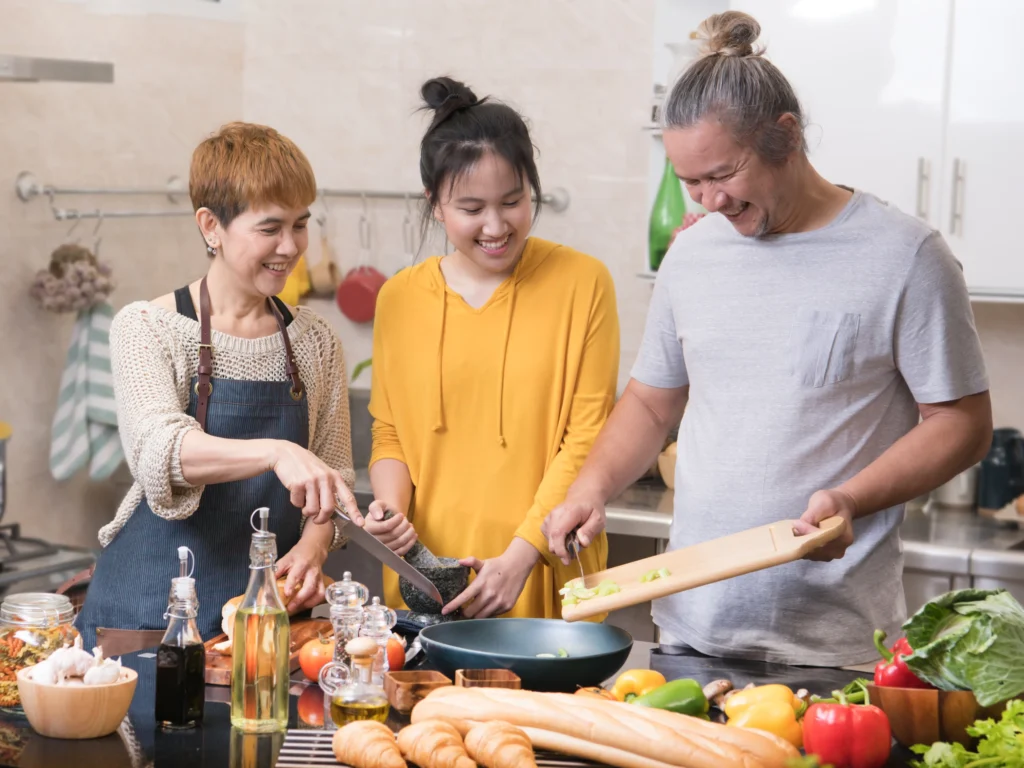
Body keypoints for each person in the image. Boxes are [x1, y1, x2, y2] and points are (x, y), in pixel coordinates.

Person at [544, 12, 993, 666]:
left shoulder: (906, 255)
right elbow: (650, 404)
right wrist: (590, 489)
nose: (708, 201)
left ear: (786, 136)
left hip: (834, 645)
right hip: (689, 632)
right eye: (690, 182)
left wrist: (851, 499)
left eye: (722, 173)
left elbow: (962, 424)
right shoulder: (692, 254)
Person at [75, 122, 361, 646]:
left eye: (300, 224)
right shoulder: (148, 327)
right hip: (150, 615)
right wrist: (276, 451)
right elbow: (160, 452)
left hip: (264, 617)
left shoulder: (316, 341)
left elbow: (334, 477)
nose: (290, 246)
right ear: (211, 226)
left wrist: (313, 548)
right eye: (269, 228)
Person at [365, 77, 620, 619]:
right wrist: (388, 509)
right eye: (472, 208)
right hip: (432, 577)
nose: (496, 226)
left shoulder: (583, 283)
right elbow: (391, 435)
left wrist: (521, 555)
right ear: (435, 204)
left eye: (513, 201)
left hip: (545, 565)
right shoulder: (399, 298)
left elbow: (587, 441)